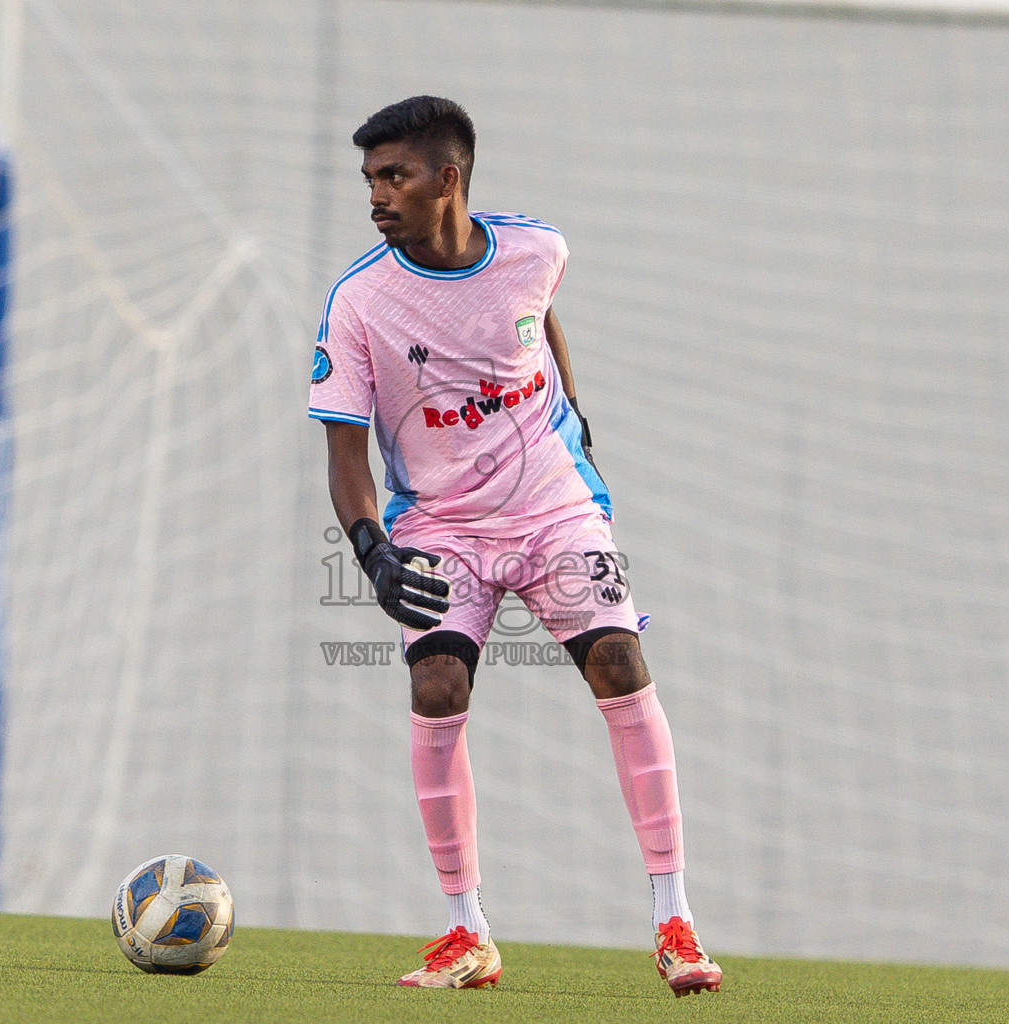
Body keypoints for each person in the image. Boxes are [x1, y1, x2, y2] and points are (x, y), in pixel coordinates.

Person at [308, 95, 720, 997]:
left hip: (553, 508)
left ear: (447, 179)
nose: (376, 195)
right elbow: (343, 447)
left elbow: (537, 313)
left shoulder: (537, 249)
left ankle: (675, 920)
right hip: (441, 524)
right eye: (370, 179)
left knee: (617, 660)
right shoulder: (359, 301)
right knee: (437, 682)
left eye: (395, 176)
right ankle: (466, 931)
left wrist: (573, 407)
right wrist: (372, 549)